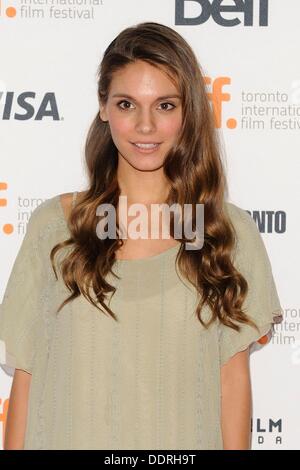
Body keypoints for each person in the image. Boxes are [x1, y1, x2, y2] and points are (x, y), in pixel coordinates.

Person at [0, 22, 283, 450]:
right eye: (128, 103)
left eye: (165, 105)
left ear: (188, 112)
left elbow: (232, 385)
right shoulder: (56, 227)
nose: (145, 125)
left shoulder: (224, 232)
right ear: (103, 107)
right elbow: (26, 377)